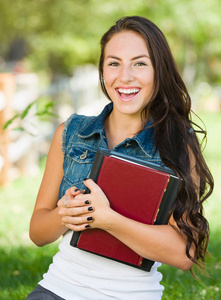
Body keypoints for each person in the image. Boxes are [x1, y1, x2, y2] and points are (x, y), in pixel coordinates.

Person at [26, 16, 214, 300]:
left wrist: (107, 218)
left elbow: (183, 253)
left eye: (139, 63)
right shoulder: (70, 133)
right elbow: (38, 233)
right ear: (102, 71)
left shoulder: (178, 145)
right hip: (57, 289)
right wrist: (64, 215)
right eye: (114, 63)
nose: (125, 77)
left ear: (159, 71)